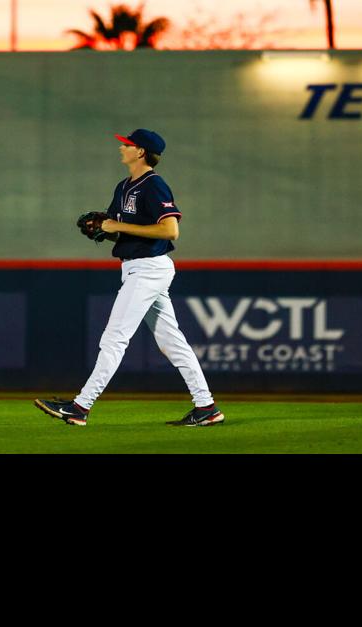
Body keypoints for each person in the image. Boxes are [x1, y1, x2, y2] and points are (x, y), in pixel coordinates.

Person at [35, 129, 223, 428]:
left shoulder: (154, 185)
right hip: (137, 267)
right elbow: (119, 230)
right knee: (172, 343)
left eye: (128, 144)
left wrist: (116, 226)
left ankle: (80, 407)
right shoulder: (123, 186)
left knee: (114, 338)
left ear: (141, 152)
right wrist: (105, 229)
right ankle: (206, 407)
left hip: (149, 269)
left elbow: (170, 231)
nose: (122, 147)